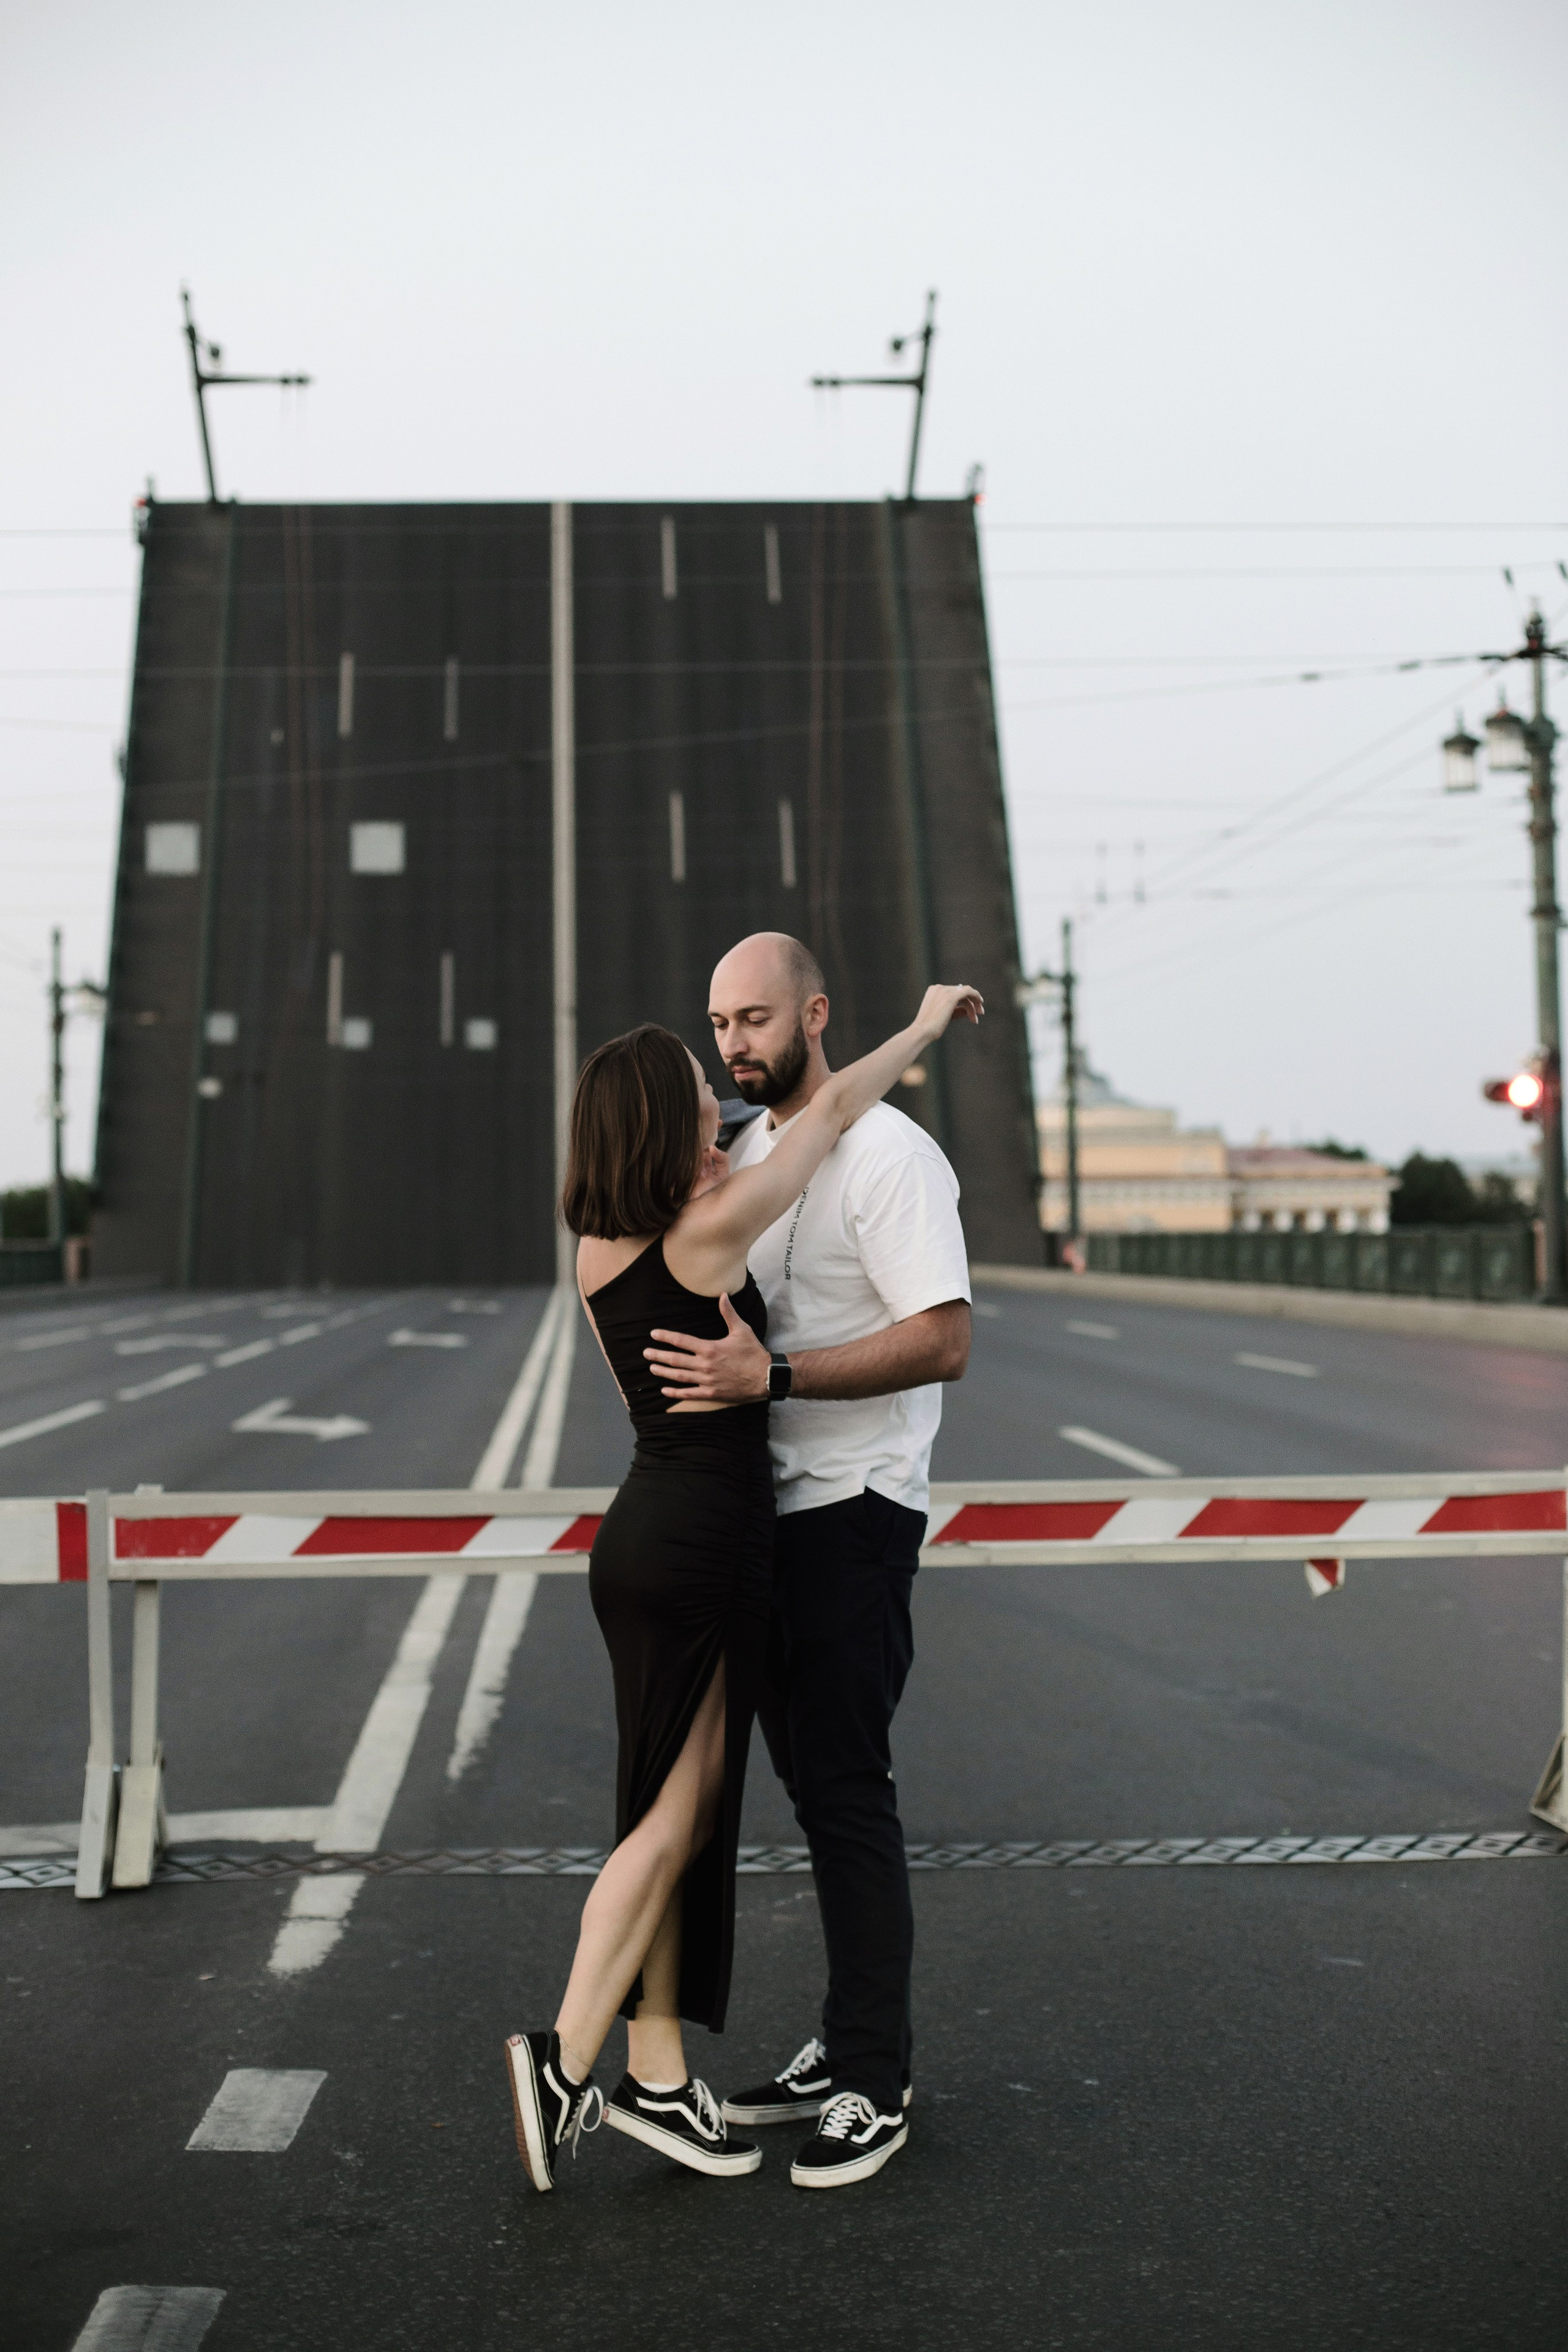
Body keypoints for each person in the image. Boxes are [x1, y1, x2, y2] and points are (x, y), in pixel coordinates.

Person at [504, 979, 982, 2193]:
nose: (717, 1123)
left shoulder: (600, 1253)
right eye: (695, 1109)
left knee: (674, 1818)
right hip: (710, 1542)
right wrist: (919, 1032)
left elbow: (643, 1409)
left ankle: (658, 2078)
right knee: (672, 1820)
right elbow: (824, 1124)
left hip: (641, 1530)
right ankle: (564, 2060)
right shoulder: (700, 1242)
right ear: (657, 1131)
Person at [643, 933, 974, 2190]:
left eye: (755, 1017)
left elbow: (941, 1340)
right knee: (807, 1793)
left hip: (852, 1510)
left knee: (845, 1790)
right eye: (718, 1021)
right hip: (767, 1521)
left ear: (815, 1014)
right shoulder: (760, 1156)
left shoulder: (889, 1157)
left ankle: (875, 2082)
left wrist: (767, 1376)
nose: (734, 1042)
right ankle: (840, 2046)